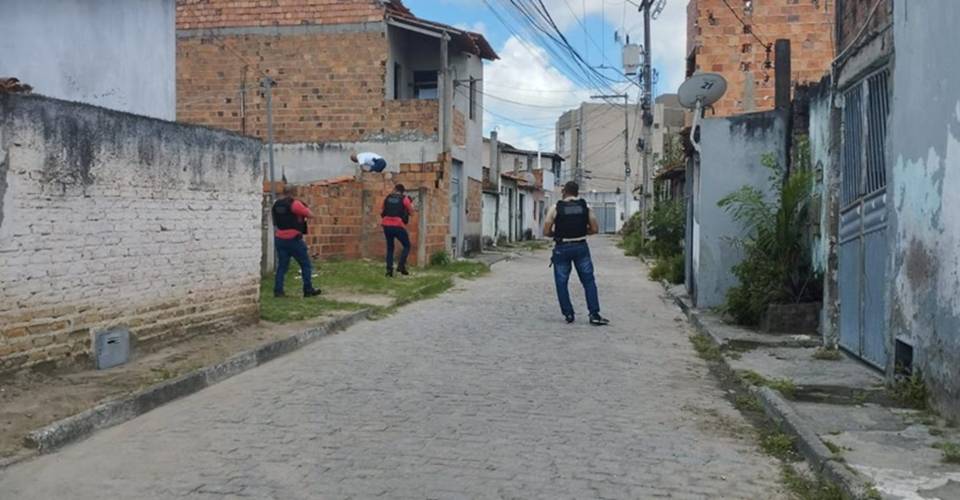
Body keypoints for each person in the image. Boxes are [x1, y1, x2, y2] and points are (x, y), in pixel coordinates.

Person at [543, 181, 610, 326]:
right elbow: (594, 229)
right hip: (581, 247)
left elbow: (546, 231)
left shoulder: (555, 208)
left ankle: (568, 314)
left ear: (564, 192)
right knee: (588, 282)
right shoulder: (586, 207)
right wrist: (580, 232)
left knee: (561, 283)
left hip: (562, 248)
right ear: (577, 192)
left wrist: (559, 233)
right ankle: (594, 314)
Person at [272, 185, 321, 298]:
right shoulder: (295, 204)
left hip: (280, 238)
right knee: (305, 265)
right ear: (295, 192)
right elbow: (310, 215)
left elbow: (275, 221)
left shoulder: (276, 204)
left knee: (282, 267)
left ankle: (278, 291)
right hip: (294, 239)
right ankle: (308, 290)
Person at [381, 184, 414, 277]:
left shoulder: (387, 197)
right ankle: (400, 266)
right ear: (403, 191)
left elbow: (382, 211)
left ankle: (389, 271)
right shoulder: (404, 199)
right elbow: (412, 212)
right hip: (398, 225)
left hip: (386, 225)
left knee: (390, 248)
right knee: (407, 245)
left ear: (395, 189)